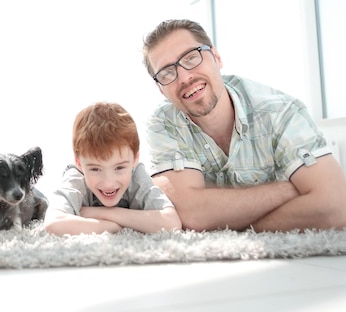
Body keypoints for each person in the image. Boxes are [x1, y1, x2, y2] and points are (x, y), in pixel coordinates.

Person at [141, 18, 346, 232]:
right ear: (161, 90)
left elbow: (336, 206)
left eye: (191, 58)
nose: (184, 77)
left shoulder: (280, 111)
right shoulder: (163, 123)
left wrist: (232, 226)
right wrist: (289, 190)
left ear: (217, 57)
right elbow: (190, 214)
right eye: (167, 73)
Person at [43, 102, 181, 235]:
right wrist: (113, 227)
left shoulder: (137, 175)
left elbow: (171, 222)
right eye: (95, 169)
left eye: (119, 167)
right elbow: (53, 224)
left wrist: (104, 213)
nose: (108, 183)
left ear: (135, 159)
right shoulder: (76, 177)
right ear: (79, 163)